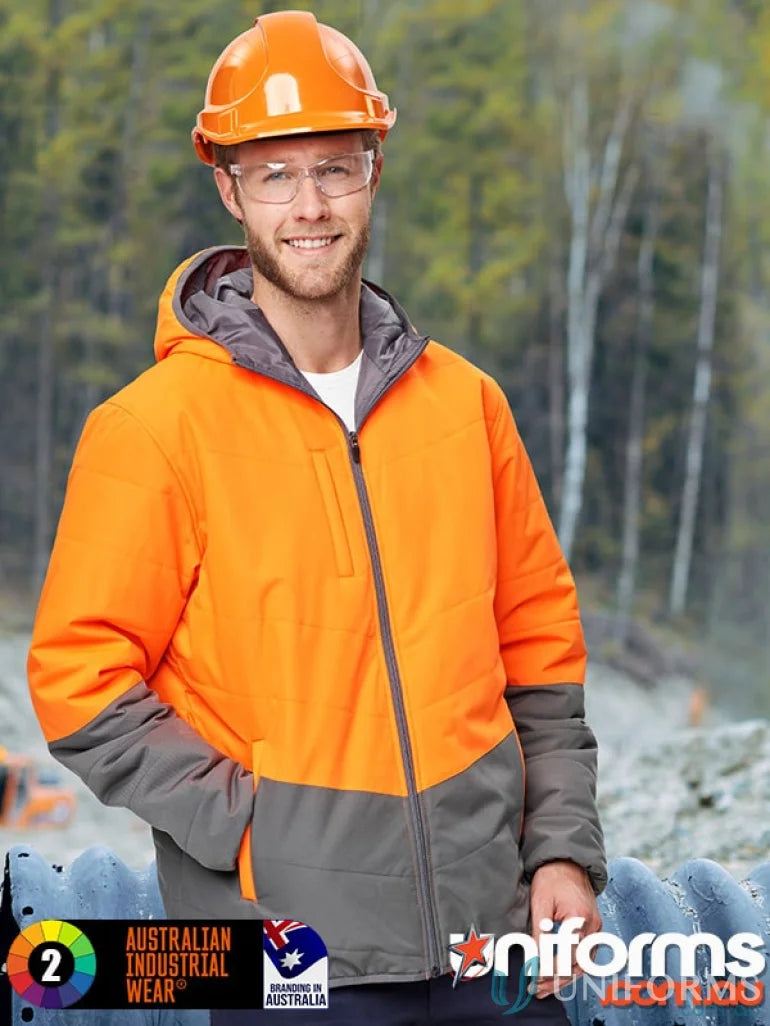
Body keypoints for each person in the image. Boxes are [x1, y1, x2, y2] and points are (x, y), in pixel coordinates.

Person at [27, 10, 606, 1025]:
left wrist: (560, 850)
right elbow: (79, 680)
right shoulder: (153, 429)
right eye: (275, 175)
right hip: (285, 963)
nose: (309, 205)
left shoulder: (466, 405)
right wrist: (253, 828)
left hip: (494, 946)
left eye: (335, 168)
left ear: (373, 170)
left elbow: (540, 658)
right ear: (229, 188)